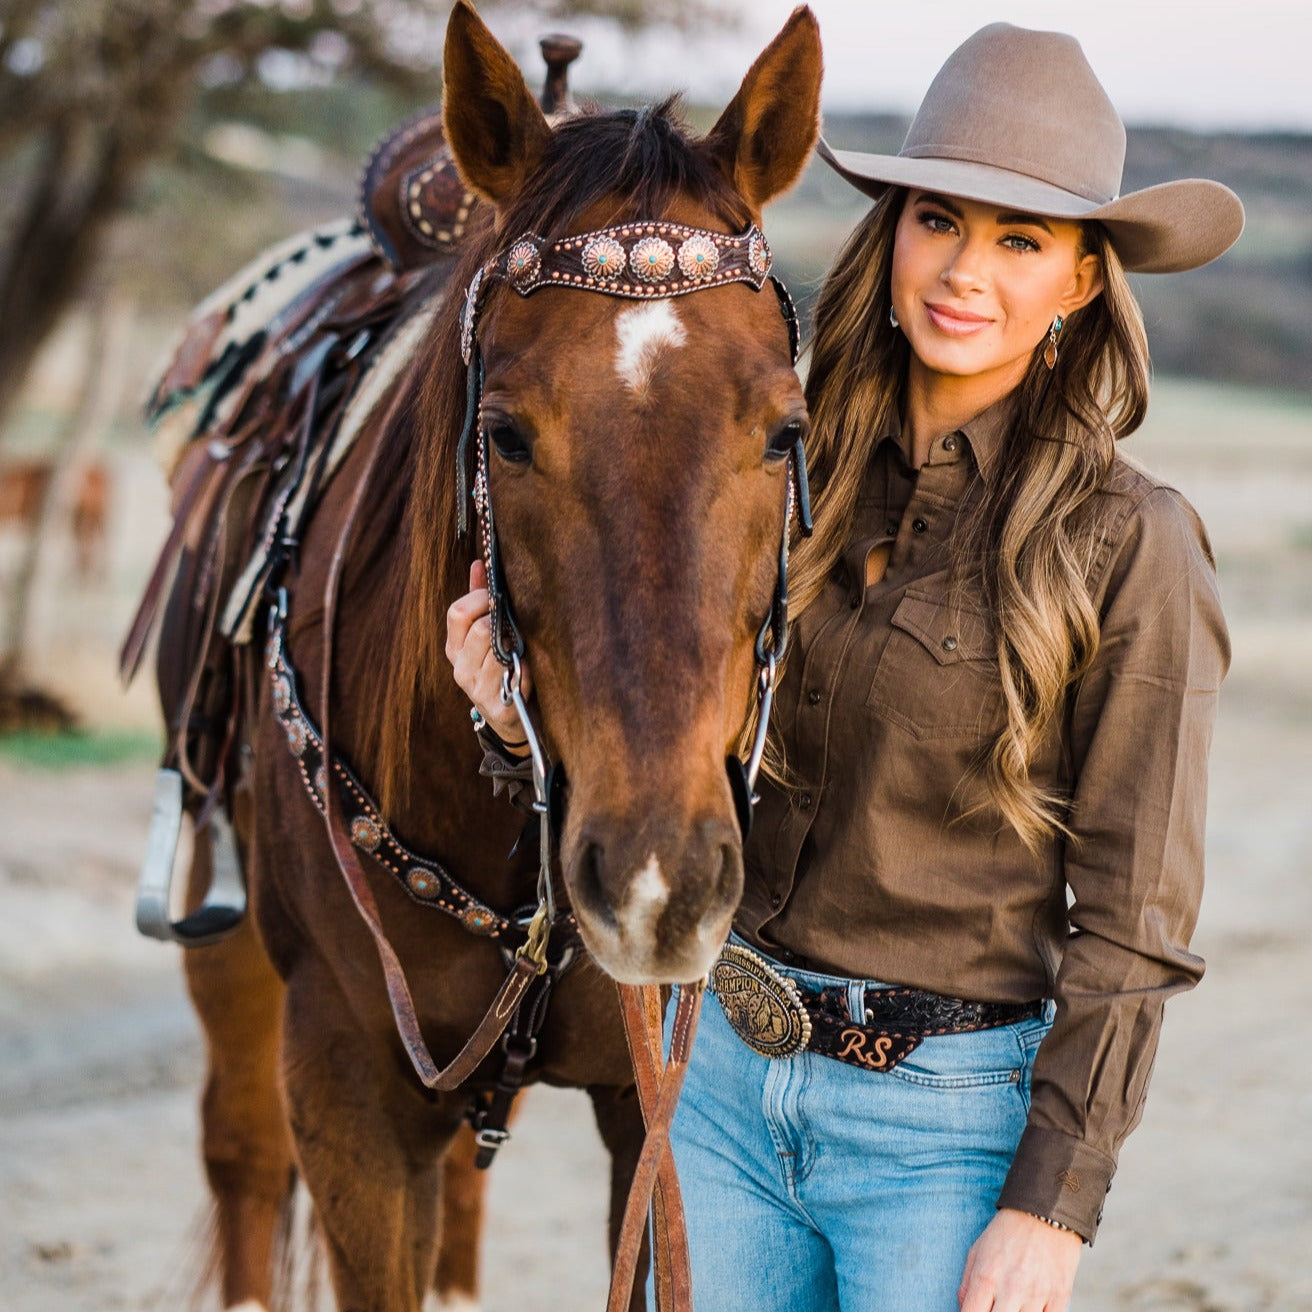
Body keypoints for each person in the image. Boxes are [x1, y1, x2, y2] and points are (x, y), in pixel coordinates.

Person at [446, 22, 1243, 1311]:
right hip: (722, 1095)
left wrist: (1053, 1204)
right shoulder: (774, 475)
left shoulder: (1130, 544)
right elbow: (666, 704)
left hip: (941, 1136)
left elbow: (1137, 925)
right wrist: (514, 719)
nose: (965, 271)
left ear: (1084, 283)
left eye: (1022, 240)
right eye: (941, 219)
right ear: (894, 231)